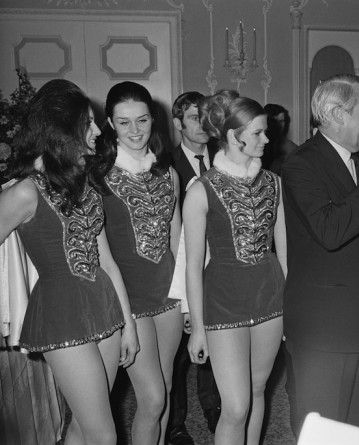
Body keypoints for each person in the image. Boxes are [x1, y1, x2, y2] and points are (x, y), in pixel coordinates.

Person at [0, 79, 139, 444]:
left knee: (83, 425)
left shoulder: (84, 183)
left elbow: (107, 261)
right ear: (62, 129)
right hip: (61, 318)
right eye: (88, 123)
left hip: (104, 308)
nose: (97, 131)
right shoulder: (26, 190)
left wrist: (129, 323)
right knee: (104, 436)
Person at [281, 73, 359, 435]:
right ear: (337, 114)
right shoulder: (302, 163)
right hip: (323, 327)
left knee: (351, 427)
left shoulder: (358, 160)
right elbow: (329, 229)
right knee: (321, 429)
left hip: (358, 322)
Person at [184, 92, 287, 445]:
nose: (267, 139)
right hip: (223, 299)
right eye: (258, 133)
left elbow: (283, 251)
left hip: (270, 296)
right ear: (233, 136)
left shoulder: (273, 183)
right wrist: (197, 327)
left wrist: (291, 304)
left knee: (258, 391)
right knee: (236, 406)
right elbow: (193, 266)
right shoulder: (201, 190)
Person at [91, 81, 183, 445]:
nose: (135, 131)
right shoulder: (98, 177)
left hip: (170, 296)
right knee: (153, 397)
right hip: (130, 300)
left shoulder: (168, 173)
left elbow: (178, 240)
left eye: (142, 120)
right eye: (124, 122)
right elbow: (102, 254)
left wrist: (189, 299)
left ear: (152, 120)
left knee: (167, 390)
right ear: (110, 124)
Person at [168, 91, 220, 444]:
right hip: (179, 271)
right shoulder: (165, 165)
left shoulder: (226, 160)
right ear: (177, 123)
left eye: (206, 117)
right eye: (192, 118)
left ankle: (216, 411)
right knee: (176, 359)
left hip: (219, 270)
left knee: (217, 348)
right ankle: (175, 425)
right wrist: (185, 297)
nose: (201, 126)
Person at [262, 103, 298, 174]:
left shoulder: (290, 147)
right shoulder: (258, 143)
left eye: (281, 121)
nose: (279, 125)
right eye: (274, 122)